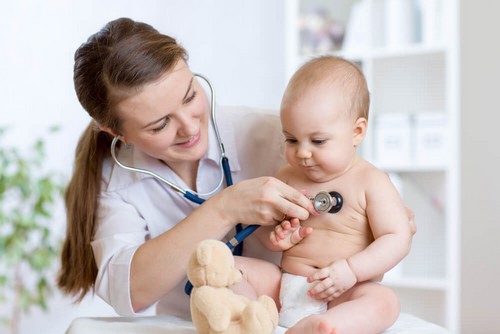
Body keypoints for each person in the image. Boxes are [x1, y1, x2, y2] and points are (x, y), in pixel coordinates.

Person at [56, 17, 319, 319]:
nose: (189, 126)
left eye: (190, 96)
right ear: (117, 134)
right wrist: (224, 209)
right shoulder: (116, 180)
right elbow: (129, 291)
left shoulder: (277, 137)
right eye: (161, 124)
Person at [256, 56, 413, 334]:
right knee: (237, 269)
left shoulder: (371, 182)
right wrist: (275, 237)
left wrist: (352, 270)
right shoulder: (285, 178)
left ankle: (327, 326)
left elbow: (397, 237)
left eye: (317, 141)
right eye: (291, 139)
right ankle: (244, 316)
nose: (302, 153)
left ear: (357, 132)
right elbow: (260, 228)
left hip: (344, 291)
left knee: (384, 301)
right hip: (287, 284)